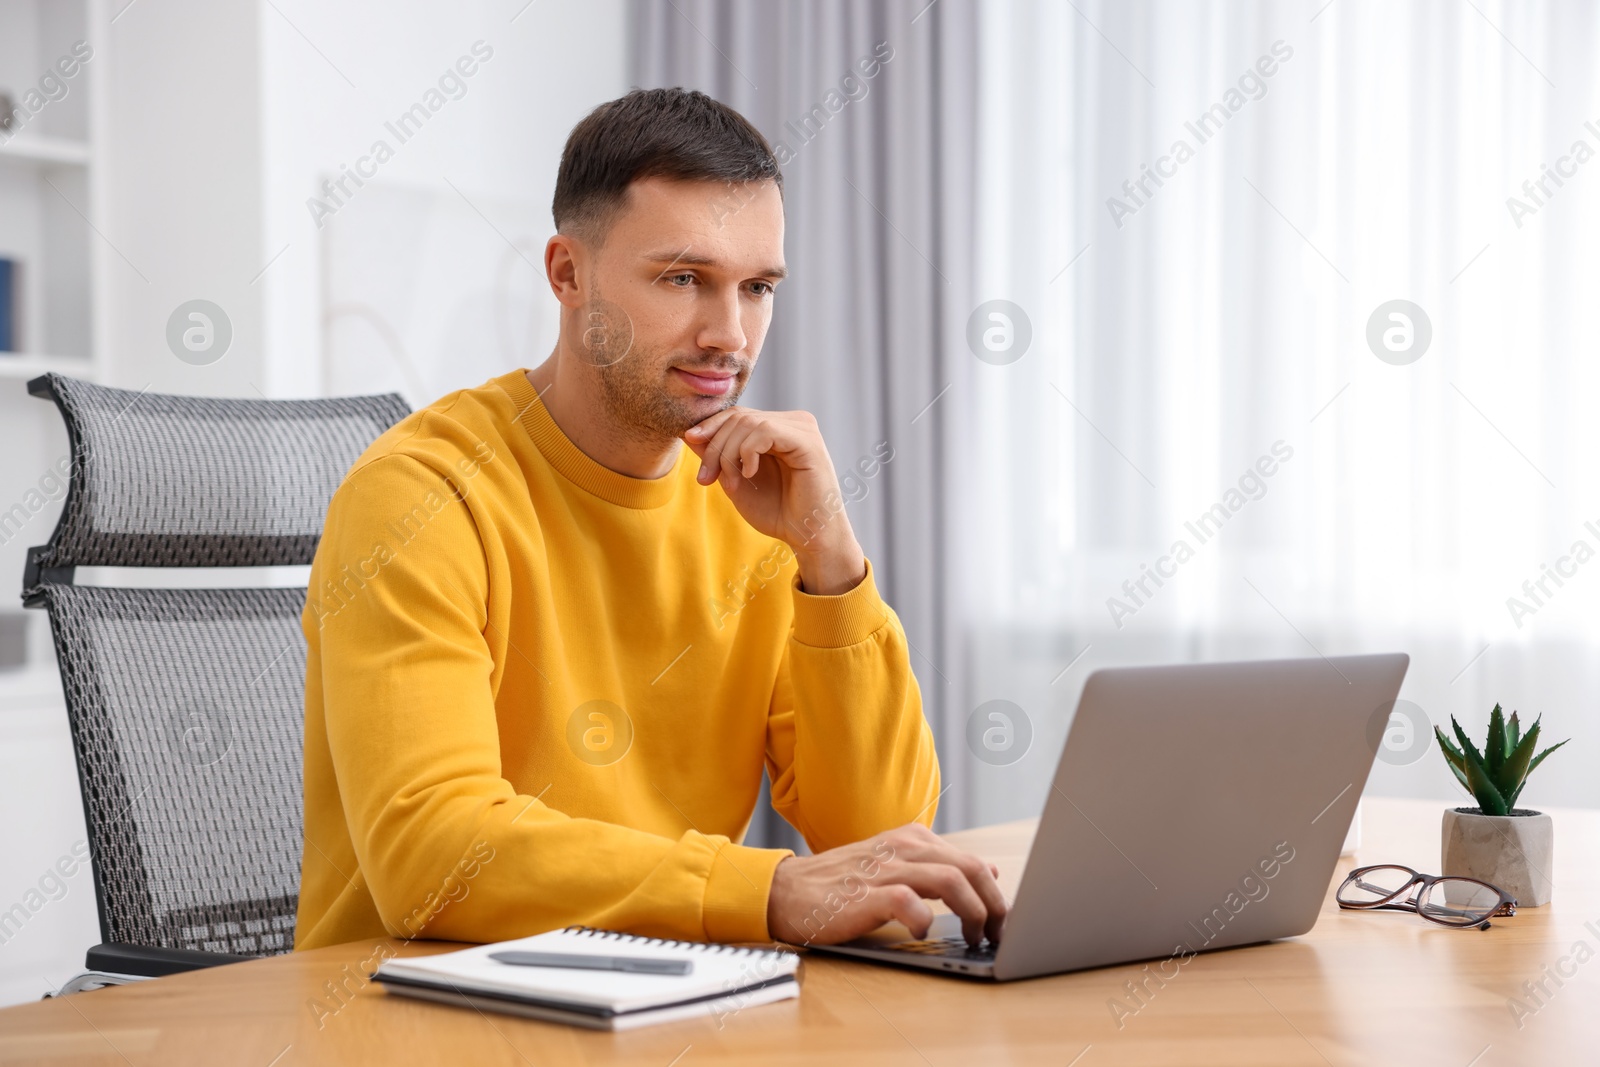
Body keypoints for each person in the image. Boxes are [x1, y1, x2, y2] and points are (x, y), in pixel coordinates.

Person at [294, 87, 1005, 953]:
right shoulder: (420, 496)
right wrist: (764, 891)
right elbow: (433, 856)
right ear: (567, 273)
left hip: (665, 1005)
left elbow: (883, 840)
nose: (730, 335)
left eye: (757, 288)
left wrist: (831, 562)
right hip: (420, 1018)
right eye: (684, 279)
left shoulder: (755, 506)